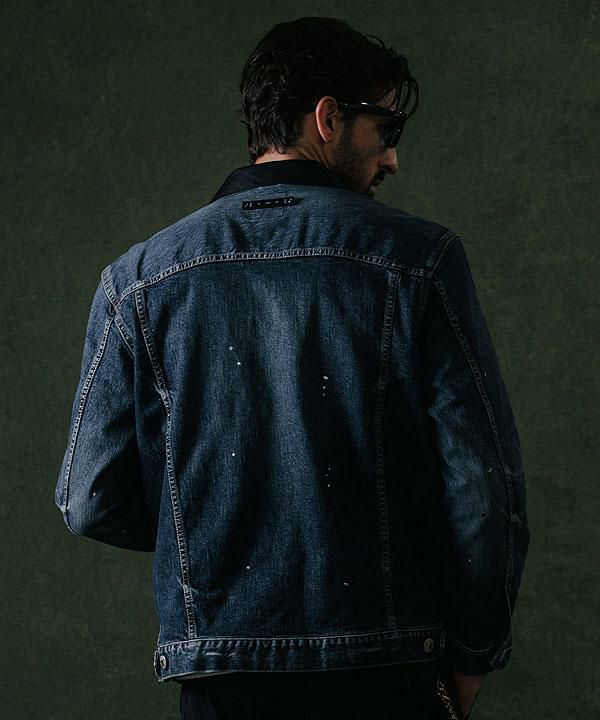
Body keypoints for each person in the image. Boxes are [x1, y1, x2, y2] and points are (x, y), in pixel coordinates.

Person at [54, 16, 530, 720]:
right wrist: (472, 658)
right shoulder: (418, 261)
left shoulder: (138, 280)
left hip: (223, 676)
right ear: (329, 119)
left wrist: (216, 517)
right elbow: (484, 494)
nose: (393, 159)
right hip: (390, 672)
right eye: (386, 130)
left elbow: (89, 498)